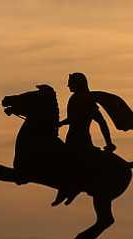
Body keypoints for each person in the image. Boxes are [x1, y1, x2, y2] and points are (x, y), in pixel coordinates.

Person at [52, 72, 116, 206]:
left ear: (78, 84)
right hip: (73, 137)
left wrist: (109, 143)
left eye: (71, 83)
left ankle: (71, 188)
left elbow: (100, 122)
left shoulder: (84, 100)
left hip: (80, 139)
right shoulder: (76, 98)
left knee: (67, 162)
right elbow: (74, 119)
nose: (68, 85)